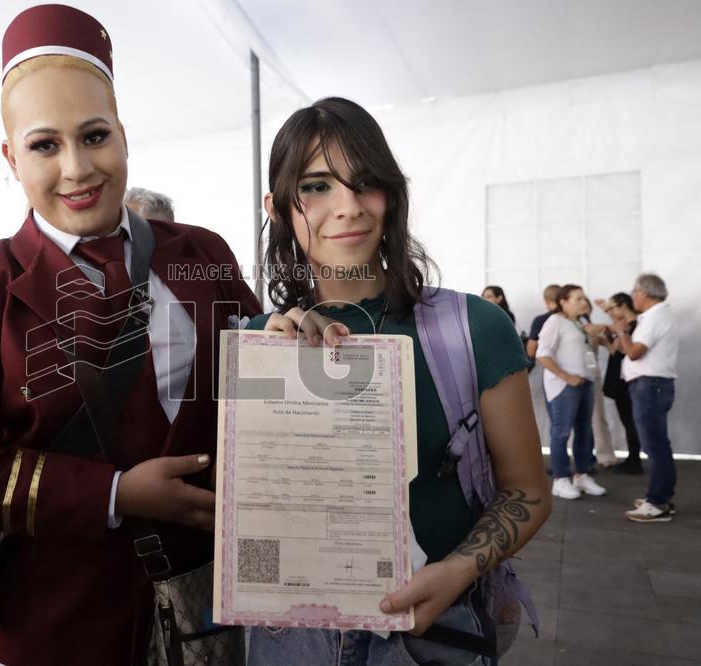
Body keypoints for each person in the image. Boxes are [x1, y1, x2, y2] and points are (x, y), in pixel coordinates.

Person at [0, 6, 261, 665]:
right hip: (54, 622)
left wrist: (294, 338)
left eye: (95, 136)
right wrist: (116, 494)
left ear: (123, 136)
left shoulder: (201, 252)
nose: (76, 168)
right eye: (45, 146)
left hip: (201, 609)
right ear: (12, 158)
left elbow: (254, 390)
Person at [245, 97, 550, 665]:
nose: (348, 207)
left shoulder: (473, 328)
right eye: (316, 187)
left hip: (434, 631)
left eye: (365, 182)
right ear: (278, 207)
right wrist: (267, 366)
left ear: (391, 194)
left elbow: (528, 491)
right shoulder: (259, 343)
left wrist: (457, 571)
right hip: (289, 636)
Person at [535, 285, 608, 500]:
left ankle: (582, 476)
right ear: (563, 302)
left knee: (584, 431)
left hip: (585, 383)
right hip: (564, 386)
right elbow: (542, 355)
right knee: (561, 433)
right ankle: (560, 479)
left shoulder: (580, 322)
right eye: (578, 299)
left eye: (584, 298)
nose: (584, 302)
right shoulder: (554, 322)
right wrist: (567, 377)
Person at [616, 274, 678, 522]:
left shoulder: (654, 317)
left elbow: (634, 352)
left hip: (650, 386)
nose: (632, 296)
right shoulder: (658, 315)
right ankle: (660, 497)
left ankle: (657, 502)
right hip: (653, 386)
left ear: (645, 293)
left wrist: (622, 332)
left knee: (655, 445)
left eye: (634, 291)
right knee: (658, 444)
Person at [587, 293, 642, 474]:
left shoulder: (633, 326)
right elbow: (614, 349)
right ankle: (633, 458)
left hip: (626, 379)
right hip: (619, 377)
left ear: (623, 306)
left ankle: (634, 461)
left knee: (630, 420)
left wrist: (608, 331)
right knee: (628, 420)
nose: (609, 312)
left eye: (611, 308)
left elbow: (624, 349)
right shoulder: (625, 327)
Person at [579, 300, 618, 467]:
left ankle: (605, 454)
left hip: (592, 374)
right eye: (578, 301)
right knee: (576, 419)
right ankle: (583, 456)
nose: (583, 306)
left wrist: (607, 333)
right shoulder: (564, 324)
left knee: (598, 416)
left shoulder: (593, 328)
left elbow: (612, 348)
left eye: (585, 304)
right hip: (572, 375)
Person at [526, 284, 561, 360]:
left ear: (547, 302)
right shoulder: (574, 318)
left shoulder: (541, 320)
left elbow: (531, 351)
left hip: (548, 362)